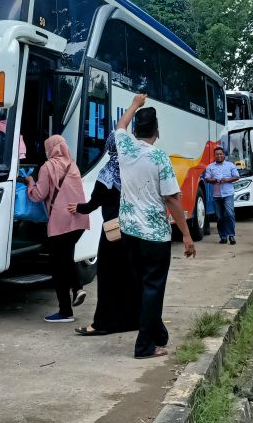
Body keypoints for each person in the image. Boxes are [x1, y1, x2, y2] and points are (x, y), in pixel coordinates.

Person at [116, 93, 195, 359]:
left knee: (142, 286)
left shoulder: (124, 147)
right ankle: (144, 346)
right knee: (153, 288)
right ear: (157, 131)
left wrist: (135, 104)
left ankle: (158, 334)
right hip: (154, 235)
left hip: (128, 231)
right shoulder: (160, 158)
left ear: (136, 130)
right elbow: (171, 199)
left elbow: (120, 126)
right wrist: (186, 234)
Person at [67, 133, 141, 336]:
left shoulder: (108, 172)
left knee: (108, 278)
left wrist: (78, 208)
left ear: (110, 147)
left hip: (113, 233)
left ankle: (102, 323)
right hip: (135, 230)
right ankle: (132, 320)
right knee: (130, 276)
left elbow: (93, 203)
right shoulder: (135, 168)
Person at [22, 135, 90, 322]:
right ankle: (77, 289)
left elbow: (38, 195)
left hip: (60, 221)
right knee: (66, 259)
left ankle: (65, 312)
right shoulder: (73, 165)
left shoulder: (47, 167)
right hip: (79, 219)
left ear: (50, 149)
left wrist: (29, 183)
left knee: (59, 267)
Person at [203, 147, 240, 244]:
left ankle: (231, 235)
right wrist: (214, 180)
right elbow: (207, 179)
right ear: (214, 156)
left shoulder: (230, 165)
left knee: (229, 213)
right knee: (219, 217)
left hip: (228, 194)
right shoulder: (210, 167)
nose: (219, 156)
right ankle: (223, 237)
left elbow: (236, 176)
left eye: (221, 154)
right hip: (216, 195)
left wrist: (227, 180)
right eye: (217, 154)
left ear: (224, 155)